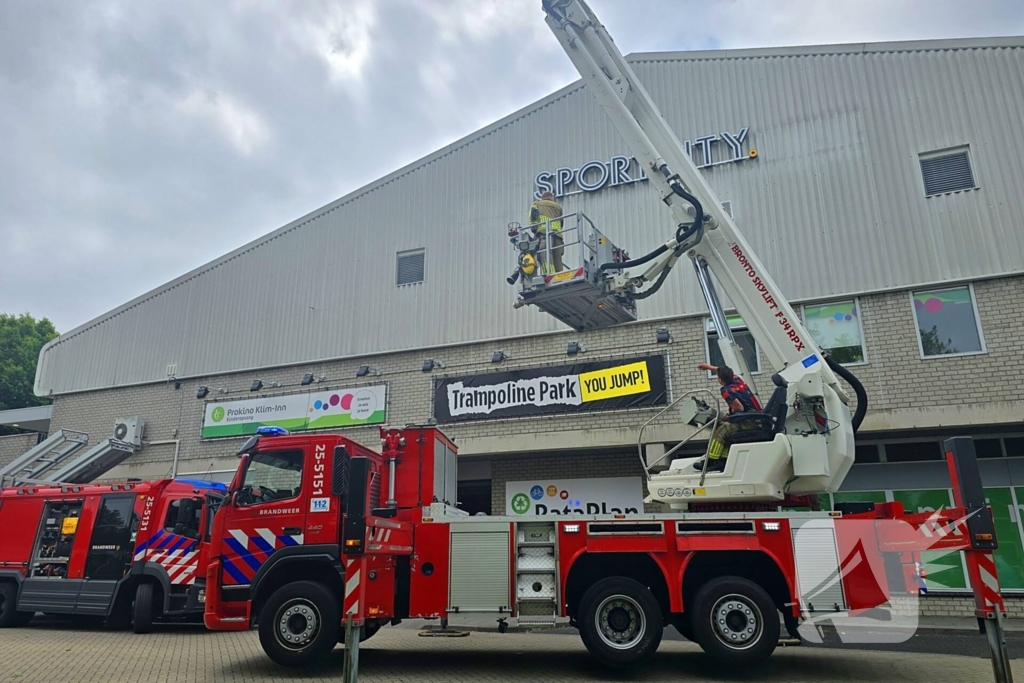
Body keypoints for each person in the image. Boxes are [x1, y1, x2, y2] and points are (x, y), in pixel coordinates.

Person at [694, 362, 762, 473]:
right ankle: (723, 459)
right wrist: (708, 367)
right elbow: (724, 371)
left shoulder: (726, 391)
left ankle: (711, 461)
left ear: (720, 380)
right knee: (728, 434)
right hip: (756, 418)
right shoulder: (737, 380)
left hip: (749, 421)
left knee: (721, 429)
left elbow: (739, 408)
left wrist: (728, 416)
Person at [529, 190, 564, 273]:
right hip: (558, 235)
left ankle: (549, 273)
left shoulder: (536, 204)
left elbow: (533, 218)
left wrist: (534, 231)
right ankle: (559, 275)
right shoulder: (558, 207)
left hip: (545, 232)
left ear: (543, 197)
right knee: (557, 256)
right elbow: (561, 222)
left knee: (545, 253)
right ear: (551, 197)